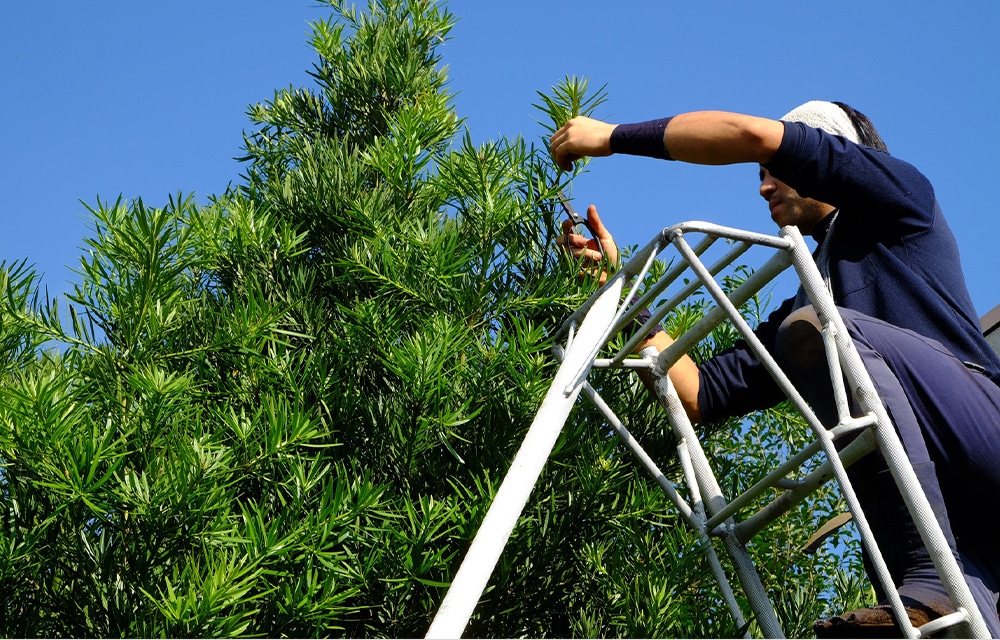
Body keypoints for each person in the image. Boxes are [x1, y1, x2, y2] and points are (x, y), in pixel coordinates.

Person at [550, 101, 1000, 637]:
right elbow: (699, 391)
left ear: (829, 155)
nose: (763, 188)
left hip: (982, 439)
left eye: (774, 171)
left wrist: (612, 136)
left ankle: (929, 577)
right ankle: (933, 587)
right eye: (760, 176)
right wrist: (620, 292)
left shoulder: (900, 201)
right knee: (941, 630)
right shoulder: (805, 302)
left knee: (820, 335)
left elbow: (750, 134)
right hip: (964, 541)